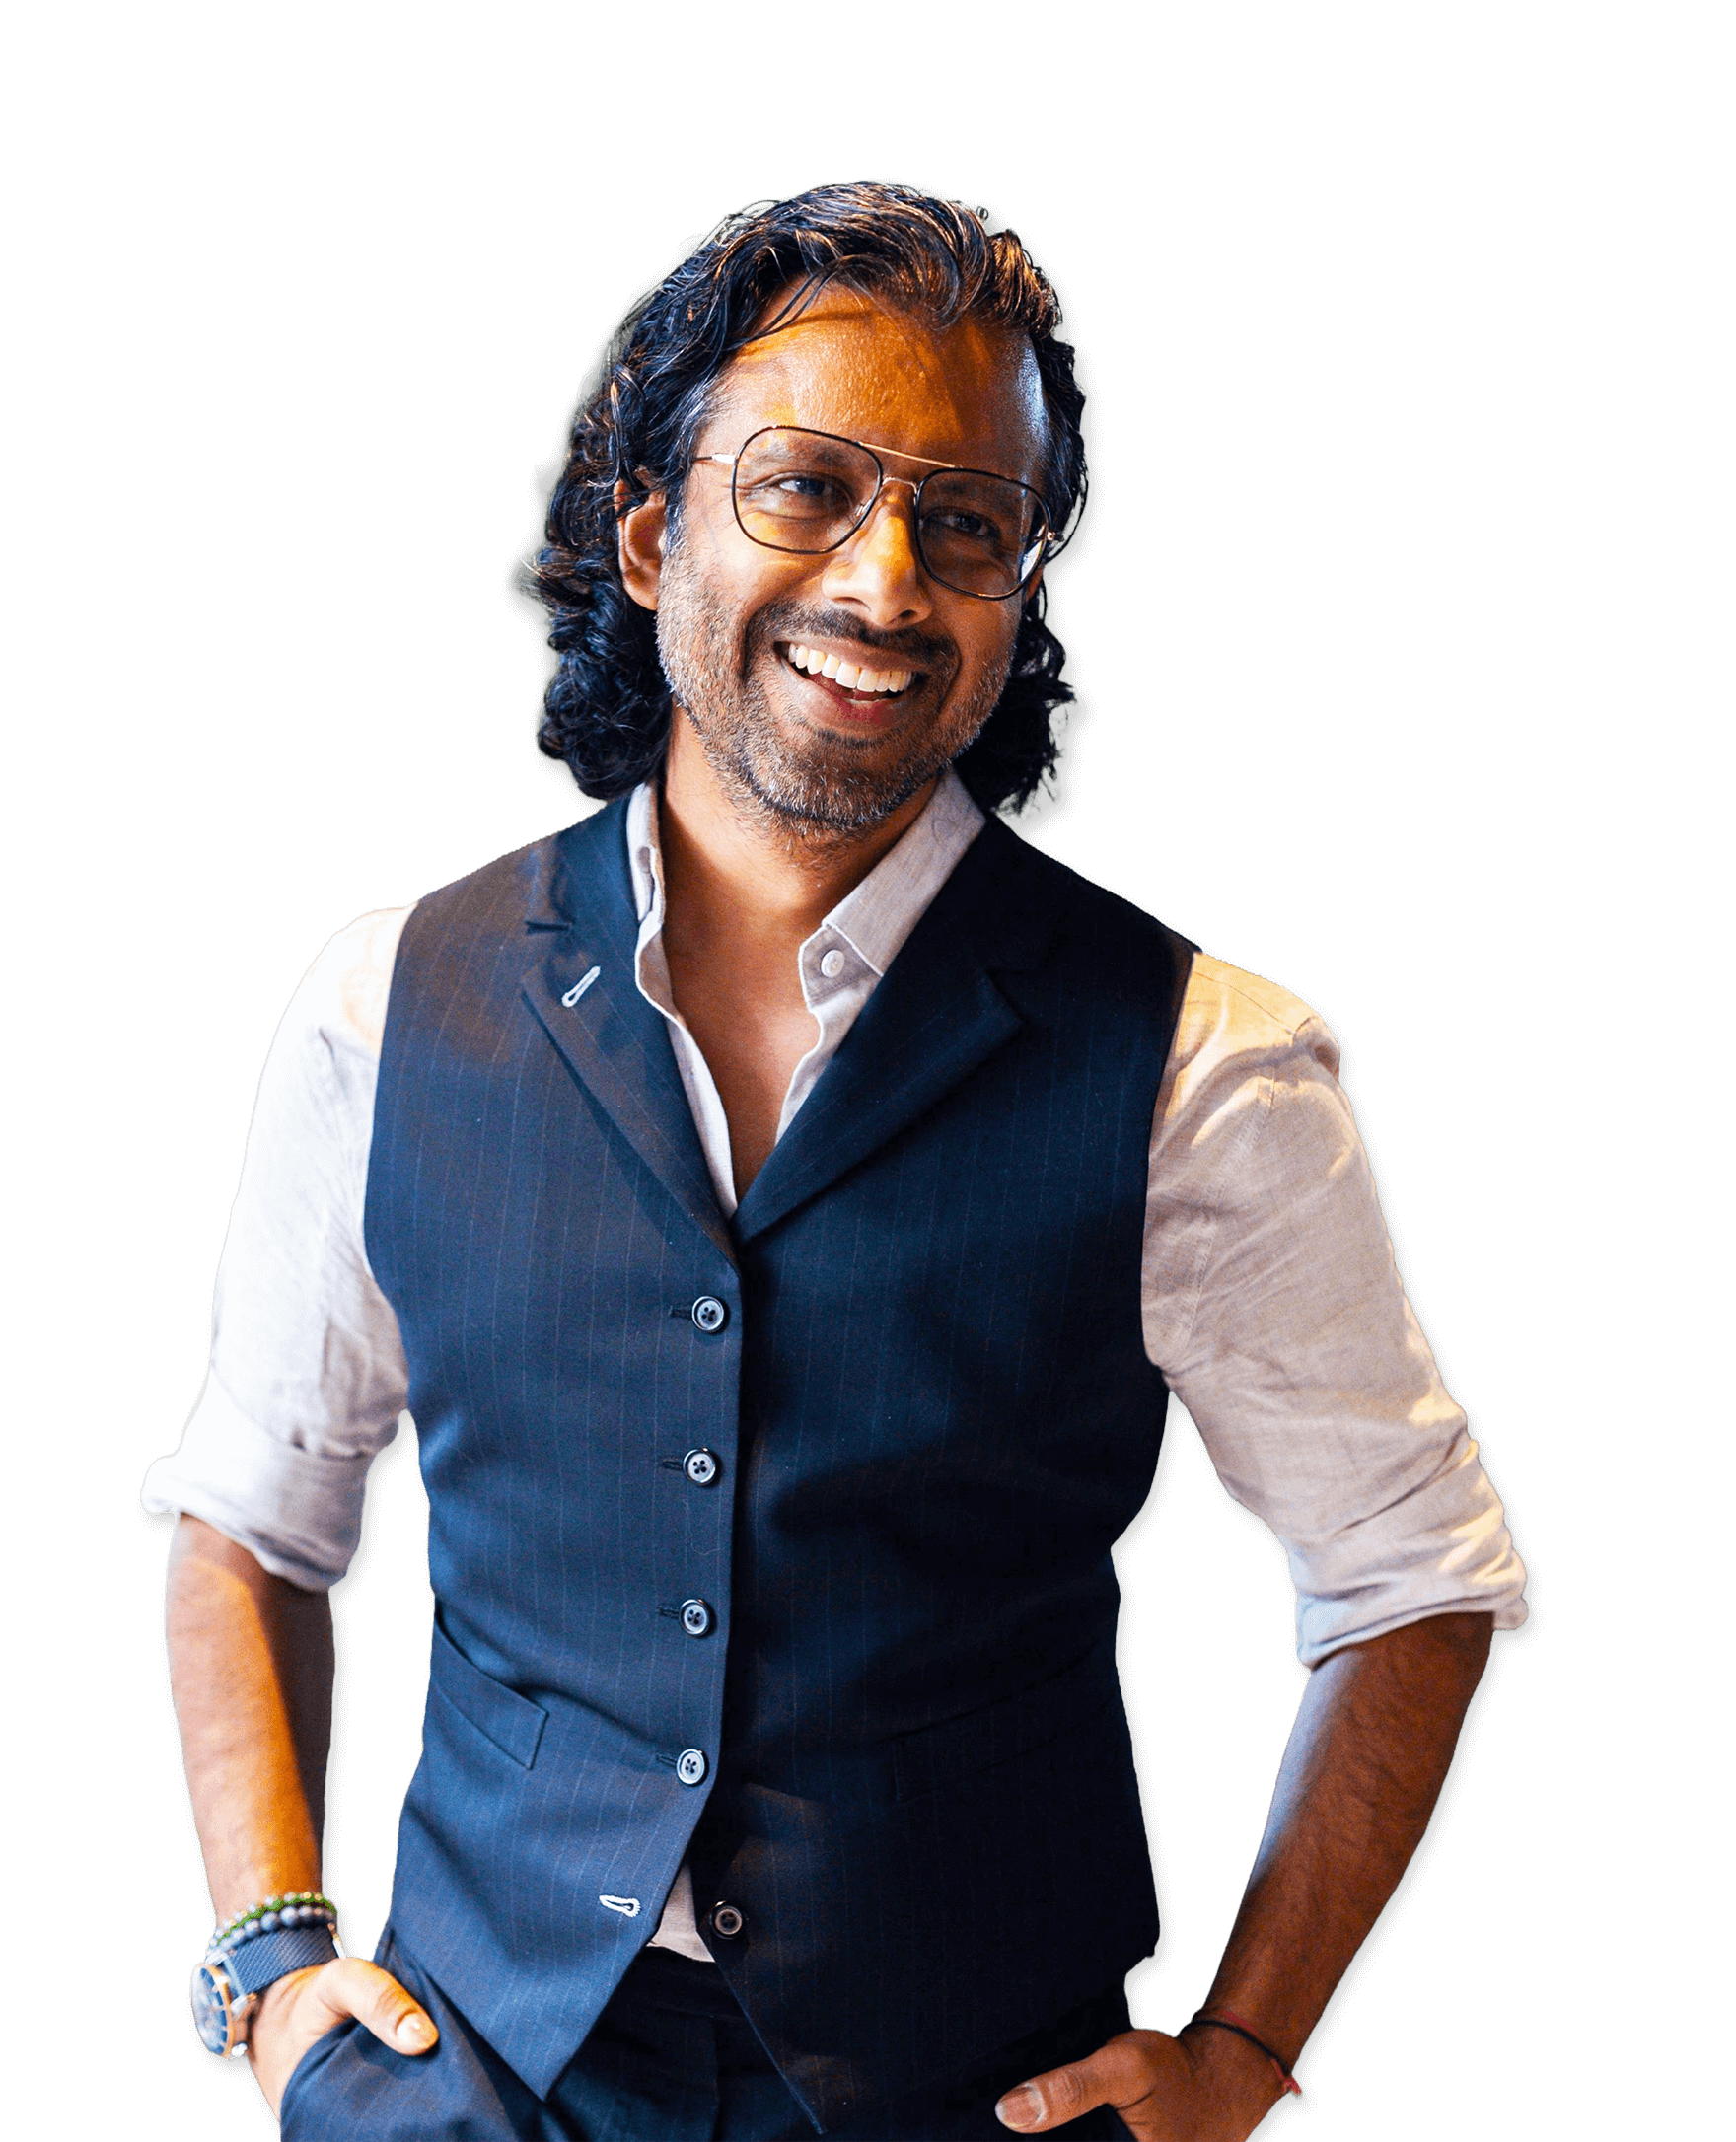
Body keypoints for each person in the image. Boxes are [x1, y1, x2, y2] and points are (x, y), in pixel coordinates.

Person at [145, 180, 1527, 2140]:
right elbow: (251, 1529)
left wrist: (1244, 2053)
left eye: (965, 523)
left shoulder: (1202, 1063)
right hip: (467, 2083)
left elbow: (1412, 1582)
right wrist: (277, 1969)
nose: (885, 586)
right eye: (805, 487)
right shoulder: (390, 1004)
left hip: (985, 2097)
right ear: (650, 534)